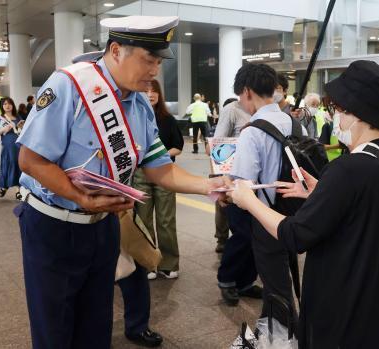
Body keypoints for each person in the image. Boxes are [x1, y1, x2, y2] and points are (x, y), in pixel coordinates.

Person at [15, 16, 229, 349]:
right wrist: (80, 197)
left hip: (104, 226)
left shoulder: (141, 103)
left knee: (97, 325)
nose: (154, 70)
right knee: (54, 328)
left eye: (158, 62)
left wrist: (211, 186)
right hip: (53, 226)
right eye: (148, 59)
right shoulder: (68, 86)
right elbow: (31, 160)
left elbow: (160, 169)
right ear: (116, 51)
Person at [228, 60, 379, 349]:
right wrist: (321, 193)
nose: (335, 115)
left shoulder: (348, 169)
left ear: (356, 113)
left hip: (346, 311)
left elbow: (295, 234)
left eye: (338, 109)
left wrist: (249, 200)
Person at [228, 63, 305, 327]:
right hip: (294, 212)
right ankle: (276, 328)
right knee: (284, 276)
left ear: (247, 92)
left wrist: (226, 188)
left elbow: (243, 183)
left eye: (240, 96)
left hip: (266, 217)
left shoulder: (253, 131)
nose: (241, 102)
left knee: (276, 287)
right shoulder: (294, 124)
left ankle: (283, 335)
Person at [132, 78, 184, 280]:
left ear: (159, 95)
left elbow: (178, 146)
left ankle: (169, 263)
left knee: (166, 220)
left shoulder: (167, 119)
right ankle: (149, 263)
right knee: (143, 220)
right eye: (146, 90)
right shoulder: (134, 116)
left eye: (154, 91)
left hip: (164, 172)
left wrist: (157, 156)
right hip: (140, 173)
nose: (150, 94)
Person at [214, 95, 262, 307]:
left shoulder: (273, 111)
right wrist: (221, 187)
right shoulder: (232, 110)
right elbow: (217, 146)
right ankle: (226, 279)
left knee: (257, 236)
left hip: (262, 185)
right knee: (242, 233)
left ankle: (245, 282)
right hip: (236, 182)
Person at [211, 97, 250, 253]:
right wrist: (218, 178)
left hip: (243, 173)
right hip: (227, 171)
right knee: (223, 206)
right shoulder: (232, 110)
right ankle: (222, 239)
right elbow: (216, 147)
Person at [0, 97, 23, 200]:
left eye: (9, 103)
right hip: (6, 148)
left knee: (19, 166)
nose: (7, 106)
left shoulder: (17, 117)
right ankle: (5, 186)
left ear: (13, 105)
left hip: (18, 147)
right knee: (7, 166)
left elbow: (21, 132)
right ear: (2, 106)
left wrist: (21, 127)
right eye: (4, 104)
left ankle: (18, 191)